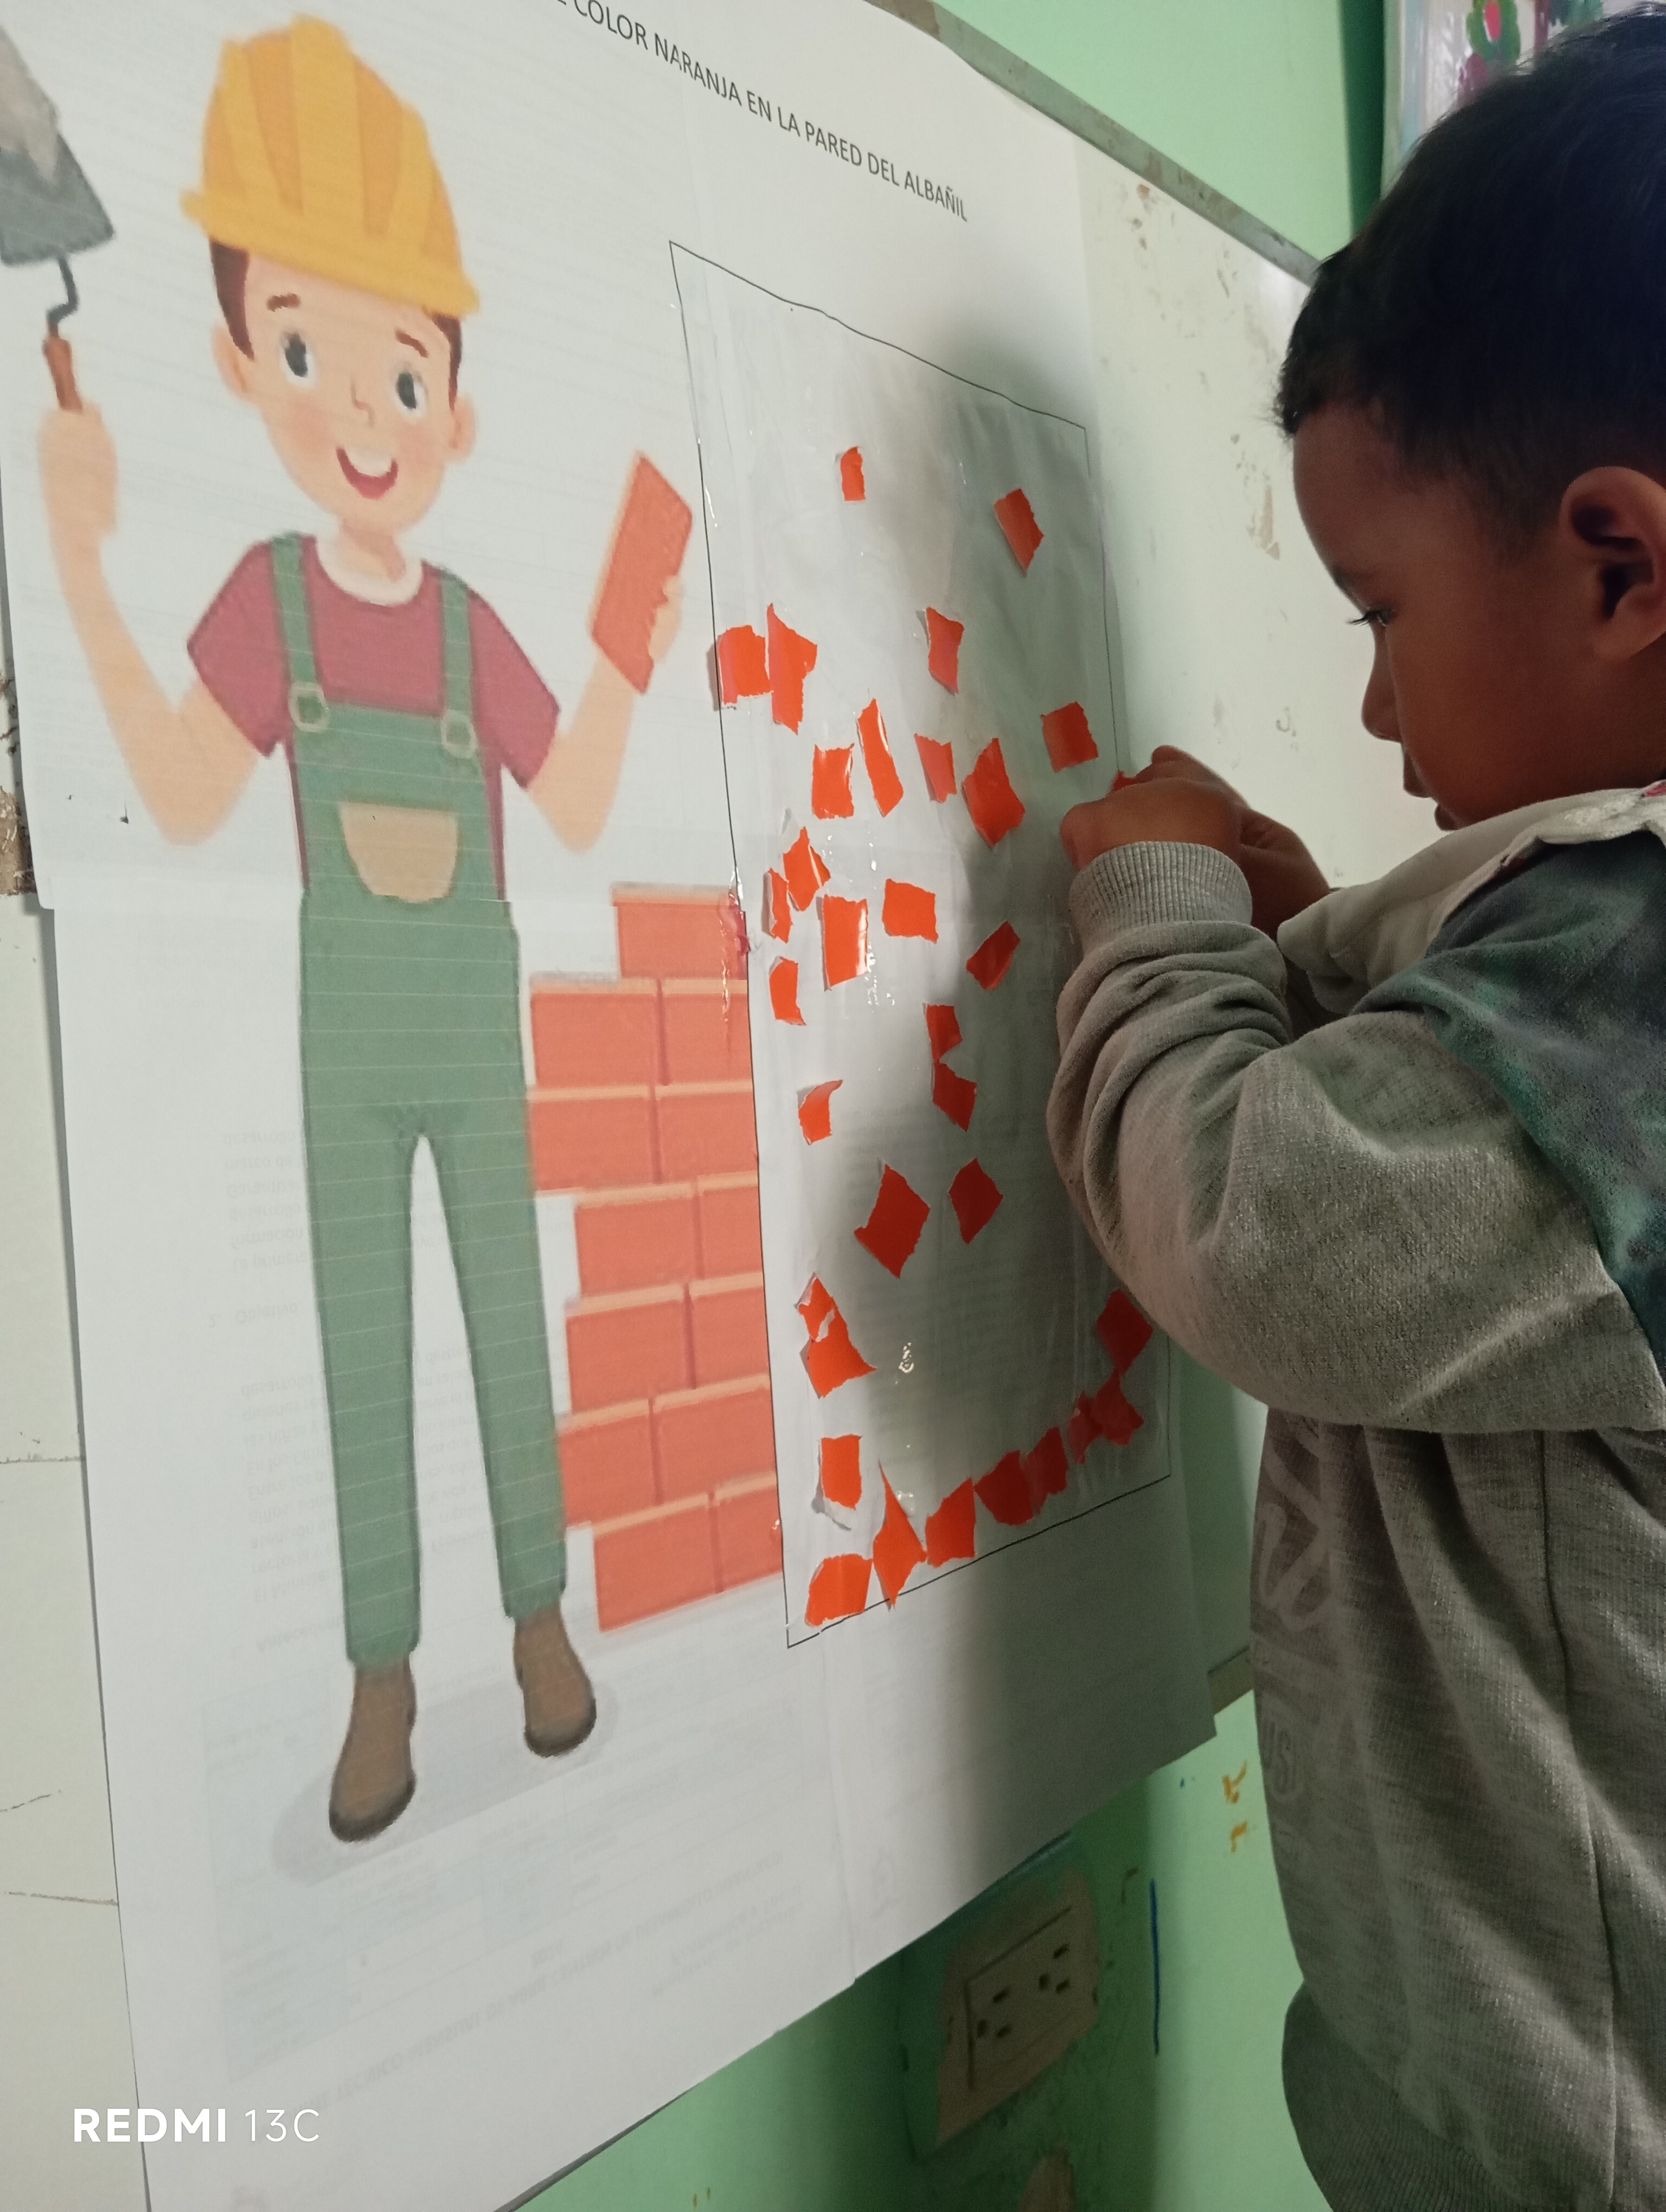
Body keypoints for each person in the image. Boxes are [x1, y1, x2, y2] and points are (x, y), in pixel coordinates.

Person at [1049, 15, 1666, 2209]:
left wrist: (1158, 917)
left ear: (1621, 566)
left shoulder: (1625, 985)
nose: (1379, 704)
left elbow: (1257, 1234)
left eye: (1384, 613)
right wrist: (1340, 959)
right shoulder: (1586, 980)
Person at [38, 17, 682, 1843]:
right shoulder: (268, 602)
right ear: (244, 363)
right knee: (362, 1344)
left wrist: (629, 645)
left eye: (404, 373)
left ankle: (539, 1621)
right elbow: (179, 792)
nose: (363, 417)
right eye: (310, 352)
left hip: (471, 1038)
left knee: (504, 1328)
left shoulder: (473, 628)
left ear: (457, 406)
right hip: (350, 1045)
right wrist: (79, 566)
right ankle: (382, 1674)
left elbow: (574, 804)